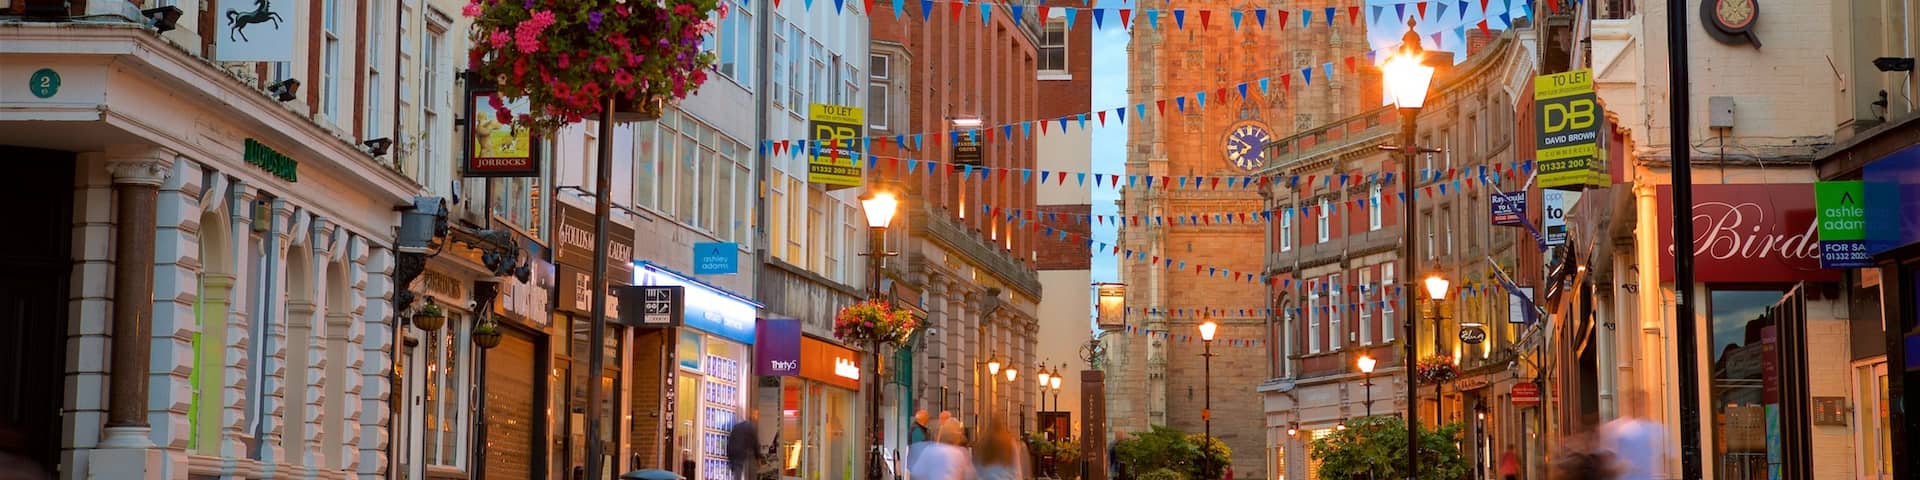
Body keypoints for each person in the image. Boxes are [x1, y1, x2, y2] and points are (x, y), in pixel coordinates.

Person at [1600, 391, 1666, 480]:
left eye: (1640, 403)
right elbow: (1605, 462)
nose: (1637, 406)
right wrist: (1621, 467)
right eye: (1634, 402)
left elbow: (1665, 459)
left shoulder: (1657, 429)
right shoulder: (1615, 429)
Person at [909, 418, 974, 480]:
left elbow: (916, 474)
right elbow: (971, 476)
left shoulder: (929, 450)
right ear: (957, 437)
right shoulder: (960, 454)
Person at [726, 409, 764, 480]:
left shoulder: (737, 426)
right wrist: (758, 458)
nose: (757, 417)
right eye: (756, 415)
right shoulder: (751, 427)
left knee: (737, 472)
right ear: (752, 415)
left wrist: (729, 455)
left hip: (733, 453)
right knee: (742, 473)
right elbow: (756, 444)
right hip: (741, 454)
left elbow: (730, 440)